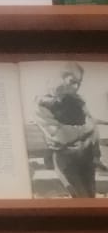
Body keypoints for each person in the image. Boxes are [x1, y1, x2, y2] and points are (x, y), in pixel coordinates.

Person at [33, 64, 104, 198]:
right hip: (65, 159)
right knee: (81, 198)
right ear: (59, 78)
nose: (76, 87)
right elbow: (60, 136)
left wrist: (96, 154)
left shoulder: (78, 100)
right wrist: (87, 128)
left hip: (87, 157)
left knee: (90, 197)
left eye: (79, 83)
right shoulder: (41, 104)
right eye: (72, 81)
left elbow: (93, 126)